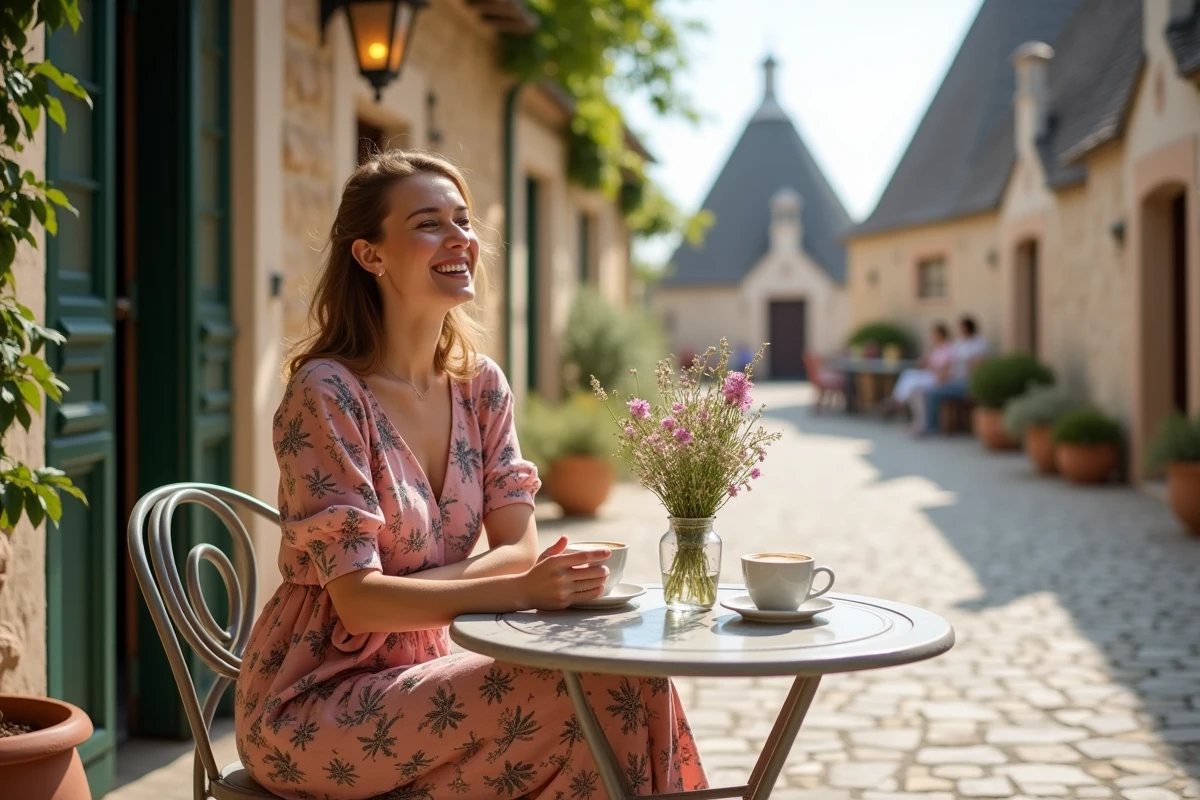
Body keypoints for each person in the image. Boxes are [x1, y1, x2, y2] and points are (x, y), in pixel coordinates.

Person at [235, 150, 708, 799]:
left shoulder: (481, 386)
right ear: (370, 255)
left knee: (627, 678)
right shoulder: (327, 393)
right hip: (316, 704)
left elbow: (520, 550)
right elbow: (359, 603)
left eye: (462, 220)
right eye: (429, 224)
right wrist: (515, 589)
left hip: (434, 671)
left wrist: (503, 581)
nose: (460, 237)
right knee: (599, 689)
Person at [911, 315, 990, 436]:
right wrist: (944, 374)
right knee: (926, 391)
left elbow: (977, 365)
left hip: (967, 383)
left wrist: (966, 364)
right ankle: (924, 425)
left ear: (968, 328)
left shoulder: (979, 343)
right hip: (954, 380)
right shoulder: (959, 342)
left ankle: (931, 427)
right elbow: (951, 362)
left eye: (961, 328)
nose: (959, 331)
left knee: (933, 394)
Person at [886, 323, 953, 410]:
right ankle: (897, 399)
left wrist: (932, 367)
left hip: (938, 377)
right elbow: (926, 361)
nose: (933, 337)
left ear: (941, 335)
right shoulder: (936, 348)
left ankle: (898, 401)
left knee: (912, 382)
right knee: (908, 374)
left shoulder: (949, 348)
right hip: (929, 373)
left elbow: (946, 366)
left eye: (935, 335)